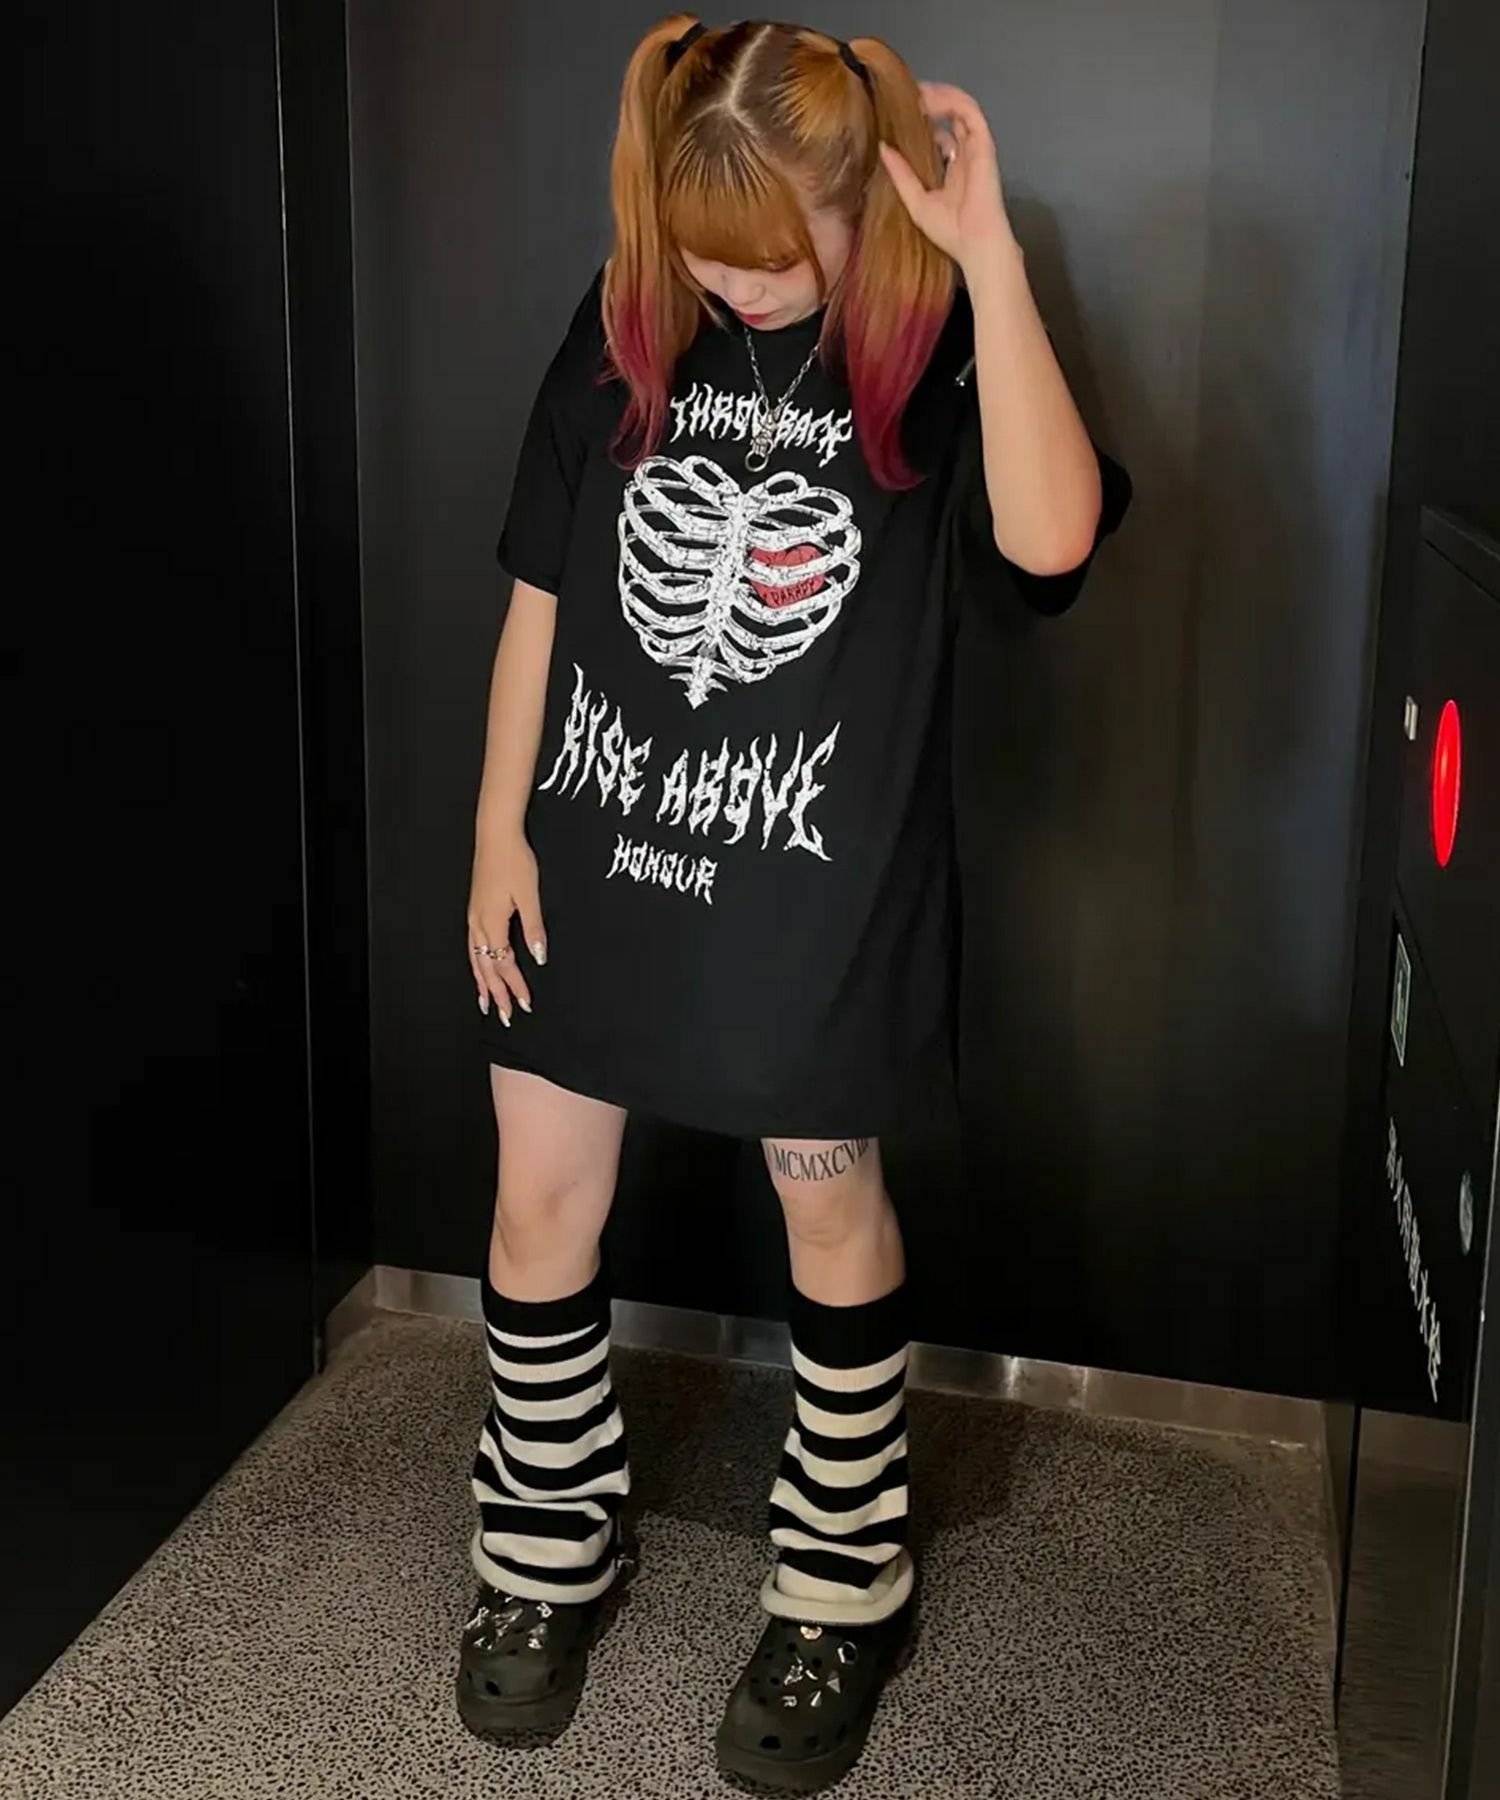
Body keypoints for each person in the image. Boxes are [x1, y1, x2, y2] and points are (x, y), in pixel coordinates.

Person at [457, 13, 1129, 1791]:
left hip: (815, 880)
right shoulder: (626, 321)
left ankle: (845, 1574)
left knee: (829, 1209)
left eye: (769, 257)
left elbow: (1054, 542)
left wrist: (990, 260)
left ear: (855, 207)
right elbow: (542, 589)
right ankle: (548, 1538)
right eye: (704, 254)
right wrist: (498, 833)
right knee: (537, 1203)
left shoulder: (929, 337)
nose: (734, 289)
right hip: (594, 841)